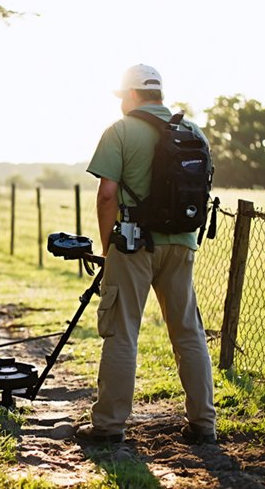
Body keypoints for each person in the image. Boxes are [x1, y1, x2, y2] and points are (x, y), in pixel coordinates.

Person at [75, 64, 217, 445]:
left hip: (134, 244)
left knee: (122, 332)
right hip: (183, 243)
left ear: (132, 95)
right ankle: (204, 423)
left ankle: (108, 426)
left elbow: (107, 195)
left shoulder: (120, 131)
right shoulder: (192, 131)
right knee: (188, 332)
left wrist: (108, 250)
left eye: (123, 95)